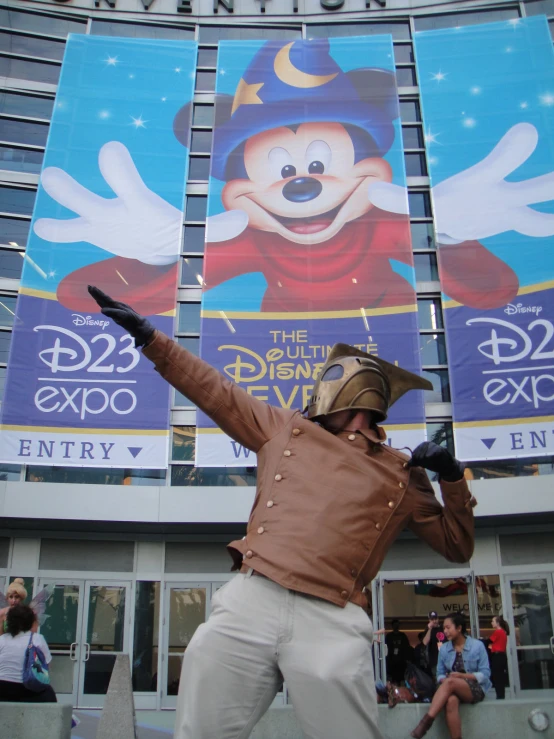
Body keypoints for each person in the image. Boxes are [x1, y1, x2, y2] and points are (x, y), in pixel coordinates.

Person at [88, 286, 477, 739]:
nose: (316, 392)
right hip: (252, 598)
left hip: (331, 616)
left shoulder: (401, 472)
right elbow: (217, 391)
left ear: (351, 393)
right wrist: (153, 339)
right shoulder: (287, 429)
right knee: (200, 725)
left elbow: (458, 546)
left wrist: (452, 478)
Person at [410, 612, 491, 739]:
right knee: (451, 701)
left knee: (451, 682)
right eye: (444, 628)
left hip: (475, 688)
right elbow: (440, 674)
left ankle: (426, 722)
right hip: (451, 687)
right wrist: (445, 679)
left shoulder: (477, 646)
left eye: (448, 628)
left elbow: (485, 674)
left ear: (459, 628)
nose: (445, 631)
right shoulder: (444, 649)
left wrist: (461, 676)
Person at [0, 604, 56, 703]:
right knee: (49, 693)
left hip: (2, 688)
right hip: (27, 688)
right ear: (30, 621)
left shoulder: (2, 639)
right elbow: (47, 665)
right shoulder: (37, 638)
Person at [488, 615, 509, 699]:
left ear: (497, 623)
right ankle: (501, 695)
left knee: (497, 677)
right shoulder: (503, 632)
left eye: (493, 621)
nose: (491, 623)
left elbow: (489, 641)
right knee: (500, 676)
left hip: (497, 656)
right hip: (501, 656)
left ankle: (499, 696)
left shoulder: (498, 632)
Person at [385, 620, 411, 684]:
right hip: (391, 661)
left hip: (401, 661)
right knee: (392, 678)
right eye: (395, 625)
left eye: (397, 625)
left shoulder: (402, 635)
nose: (396, 626)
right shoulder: (389, 636)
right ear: (392, 626)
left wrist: (407, 659)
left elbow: (407, 647)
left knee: (401, 678)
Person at [422, 610, 441, 677]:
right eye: (432, 619)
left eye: (436, 619)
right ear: (429, 620)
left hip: (446, 659)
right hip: (434, 661)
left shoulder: (443, 628)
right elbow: (425, 642)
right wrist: (429, 629)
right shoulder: (428, 630)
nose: (434, 621)